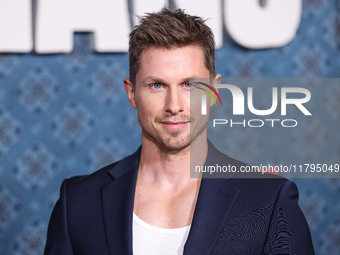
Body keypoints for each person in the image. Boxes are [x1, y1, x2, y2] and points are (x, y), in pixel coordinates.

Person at [44, 8, 314, 255]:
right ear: (131, 93)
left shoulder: (269, 200)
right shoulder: (78, 201)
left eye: (189, 85)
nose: (174, 106)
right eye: (157, 86)